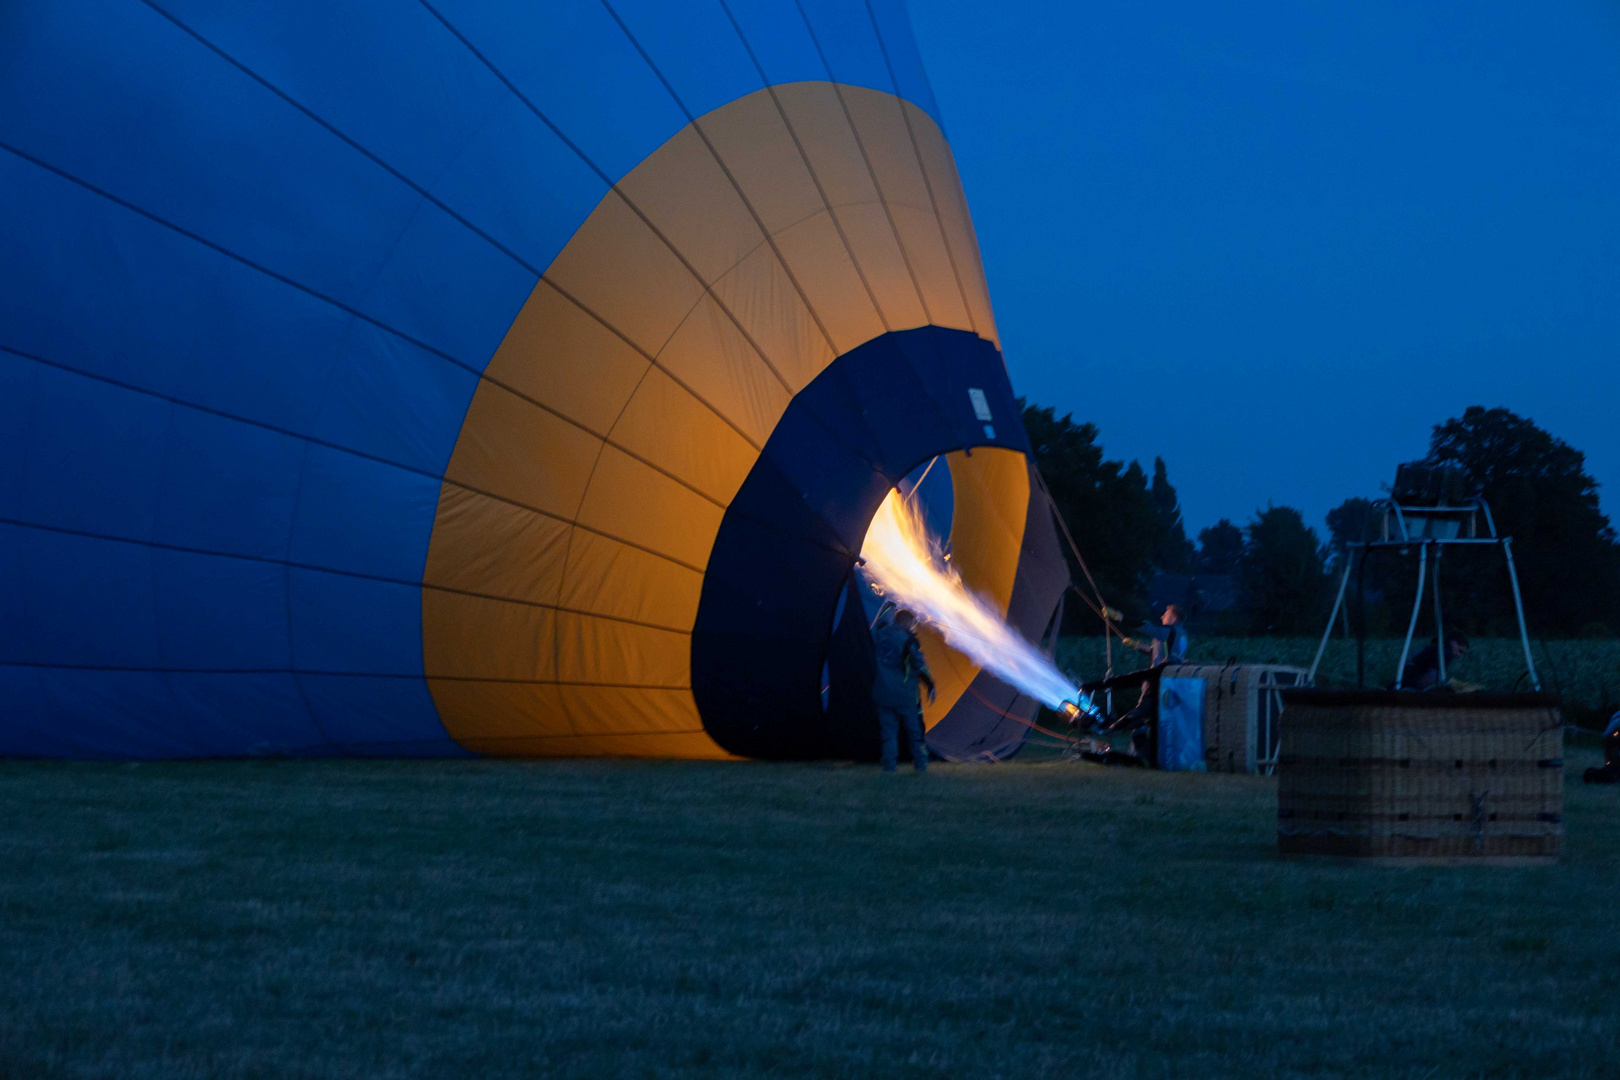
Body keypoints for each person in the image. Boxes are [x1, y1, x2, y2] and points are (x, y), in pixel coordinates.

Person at [871, 608, 936, 773]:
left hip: (883, 693)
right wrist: (930, 686)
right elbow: (919, 666)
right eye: (912, 623)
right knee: (915, 732)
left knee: (888, 733)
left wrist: (888, 604)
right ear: (907, 621)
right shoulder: (909, 641)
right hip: (906, 695)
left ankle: (889, 767)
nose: (913, 626)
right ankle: (921, 765)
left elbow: (879, 621)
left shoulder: (880, 634)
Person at [1400, 631, 1469, 690]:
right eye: (1460, 651)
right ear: (1453, 642)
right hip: (1412, 682)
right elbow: (1433, 678)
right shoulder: (1445, 653)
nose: (1458, 655)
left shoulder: (1435, 647)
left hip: (1407, 678)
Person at [1583, 712, 1620, 785]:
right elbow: (1610, 737)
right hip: (1613, 737)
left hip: (1612, 737)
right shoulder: (1616, 723)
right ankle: (1610, 770)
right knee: (1612, 761)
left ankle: (1610, 768)